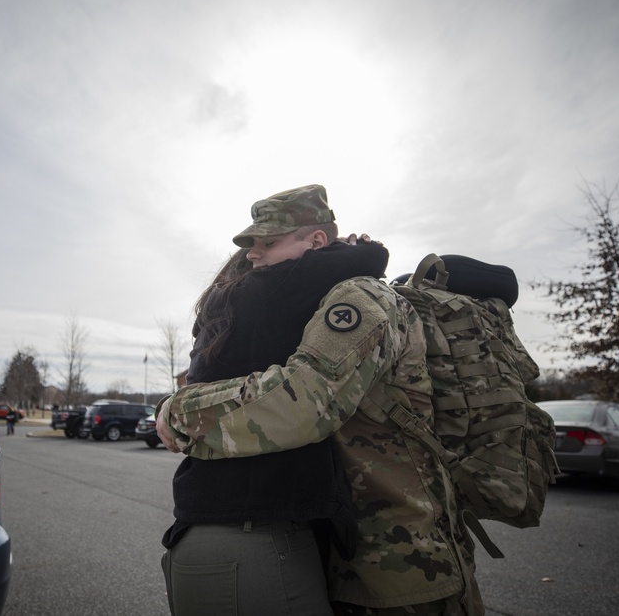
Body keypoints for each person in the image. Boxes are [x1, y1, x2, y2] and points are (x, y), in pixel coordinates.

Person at [158, 249, 483, 614]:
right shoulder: (274, 300)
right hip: (372, 557)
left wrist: (178, 411)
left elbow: (302, 405)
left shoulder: (349, 296)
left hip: (400, 562)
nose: (258, 256)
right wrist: (359, 253)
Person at [161, 184, 391, 616]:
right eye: (252, 244)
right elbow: (361, 262)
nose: (253, 253)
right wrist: (364, 251)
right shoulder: (265, 292)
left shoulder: (239, 300)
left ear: (315, 240)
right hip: (249, 539)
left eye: (268, 242)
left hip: (228, 531)